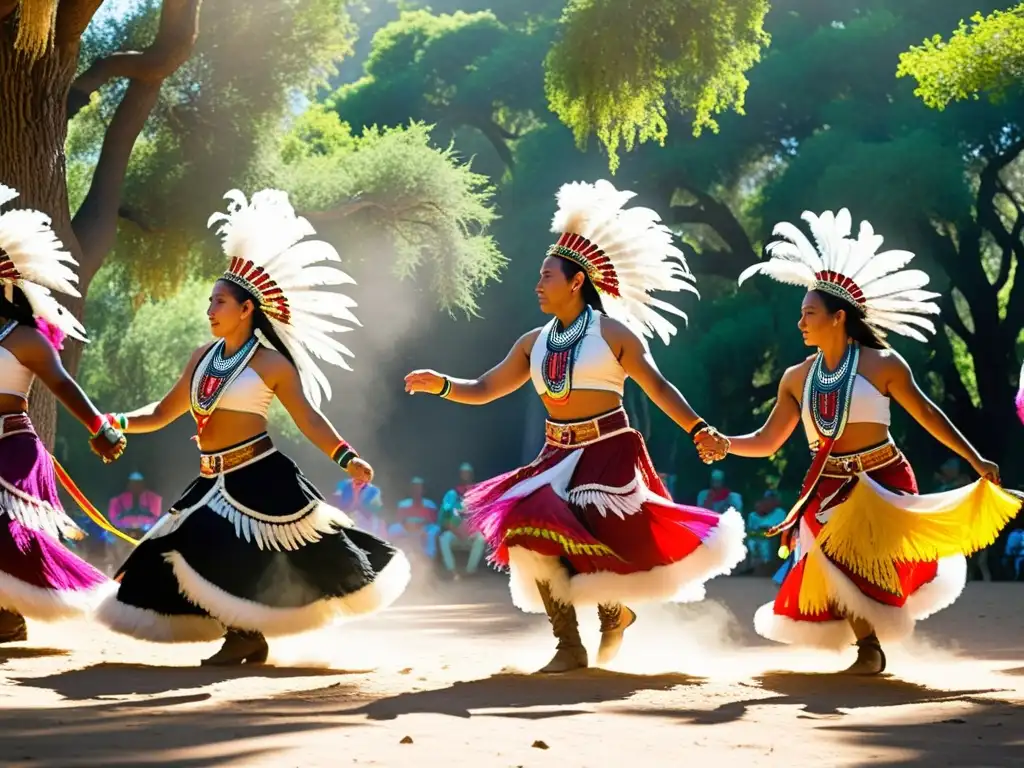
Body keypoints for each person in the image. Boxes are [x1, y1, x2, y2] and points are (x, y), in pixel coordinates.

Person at [405, 180, 744, 672]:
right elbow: (483, 388)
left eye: (547, 276)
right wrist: (442, 384)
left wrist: (698, 430)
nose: (538, 285)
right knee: (526, 527)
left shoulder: (613, 334)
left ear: (576, 281)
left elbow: (659, 388)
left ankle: (613, 614)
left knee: (598, 536)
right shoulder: (533, 342)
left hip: (608, 453)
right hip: (554, 455)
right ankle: (569, 643)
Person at [95, 189, 410, 665]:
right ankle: (244, 635)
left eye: (219, 301)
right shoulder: (200, 357)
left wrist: (347, 457)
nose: (210, 308)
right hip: (210, 476)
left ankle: (244, 636)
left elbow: (308, 417)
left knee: (230, 545)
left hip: (259, 475)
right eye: (210, 300)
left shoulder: (271, 364)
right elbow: (162, 413)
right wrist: (113, 421)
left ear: (246, 309)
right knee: (170, 551)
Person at [718, 208, 1017, 674]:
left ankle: (872, 646)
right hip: (826, 485)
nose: (801, 323)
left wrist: (975, 458)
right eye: (801, 315)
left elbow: (926, 414)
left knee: (867, 565)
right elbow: (768, 439)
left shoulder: (883, 364)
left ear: (838, 318)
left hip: (881, 478)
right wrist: (725, 443)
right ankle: (869, 648)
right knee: (833, 560)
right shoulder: (796, 378)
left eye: (809, 314)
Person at [0, 183, 126, 643]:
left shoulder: (27, 338)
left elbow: (62, 385)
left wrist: (100, 427)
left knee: (13, 533)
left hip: (14, 448)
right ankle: (8, 616)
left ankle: (93, 598)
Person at [104, 471, 163, 571]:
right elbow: (113, 518)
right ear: (129, 484)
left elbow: (155, 517)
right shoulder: (118, 499)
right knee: (109, 536)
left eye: (138, 483)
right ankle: (112, 564)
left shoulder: (153, 498)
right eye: (133, 483)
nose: (136, 486)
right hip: (124, 532)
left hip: (146, 531)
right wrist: (128, 523)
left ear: (143, 483)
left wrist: (140, 522)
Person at [437, 463, 486, 580]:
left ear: (472, 475)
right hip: (455, 533)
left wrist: (472, 529)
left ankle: (470, 571)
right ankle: (452, 570)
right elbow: (444, 516)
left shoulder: (478, 493)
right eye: (463, 473)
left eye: (468, 473)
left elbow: (483, 516)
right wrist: (455, 529)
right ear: (460, 475)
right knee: (444, 538)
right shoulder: (452, 494)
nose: (466, 476)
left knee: (481, 538)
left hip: (471, 533)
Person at [394, 477, 440, 559]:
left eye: (419, 488)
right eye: (414, 488)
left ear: (423, 490)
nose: (416, 490)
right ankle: (396, 556)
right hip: (407, 528)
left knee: (433, 530)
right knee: (394, 529)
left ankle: (429, 557)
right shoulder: (403, 504)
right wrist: (409, 526)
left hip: (424, 529)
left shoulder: (430, 504)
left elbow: (432, 521)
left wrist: (422, 527)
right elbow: (400, 520)